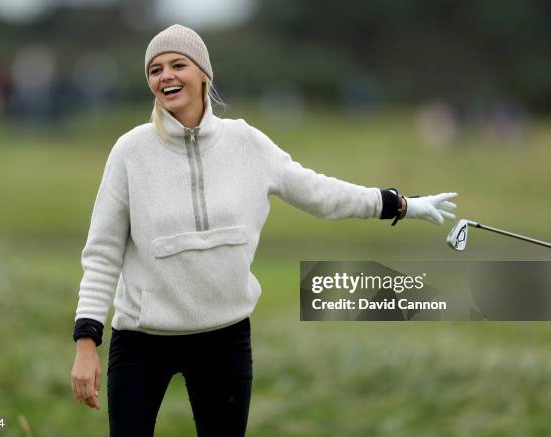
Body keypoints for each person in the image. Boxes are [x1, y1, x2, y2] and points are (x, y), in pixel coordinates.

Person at [70, 24, 457, 437]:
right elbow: (103, 254)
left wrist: (397, 203)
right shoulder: (131, 152)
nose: (166, 76)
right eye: (155, 69)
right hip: (142, 342)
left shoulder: (247, 143)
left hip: (224, 338)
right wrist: (86, 343)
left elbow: (319, 192)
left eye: (177, 65)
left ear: (203, 73)